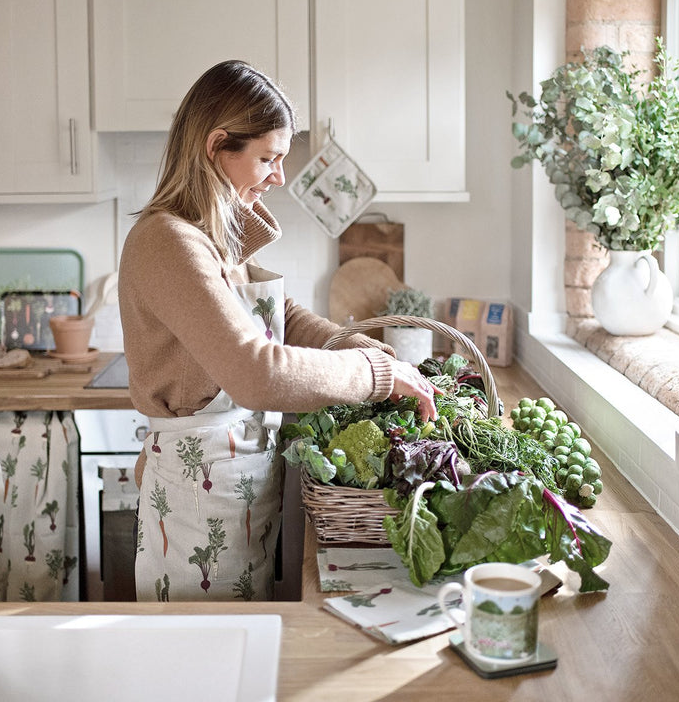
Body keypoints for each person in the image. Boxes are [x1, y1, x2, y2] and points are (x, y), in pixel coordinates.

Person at [118, 60, 439, 603]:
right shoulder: (168, 242)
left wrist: (362, 347)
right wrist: (375, 374)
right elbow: (256, 372)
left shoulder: (208, 234)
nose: (280, 177)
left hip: (231, 486)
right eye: (268, 158)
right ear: (218, 146)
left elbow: (281, 318)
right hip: (200, 503)